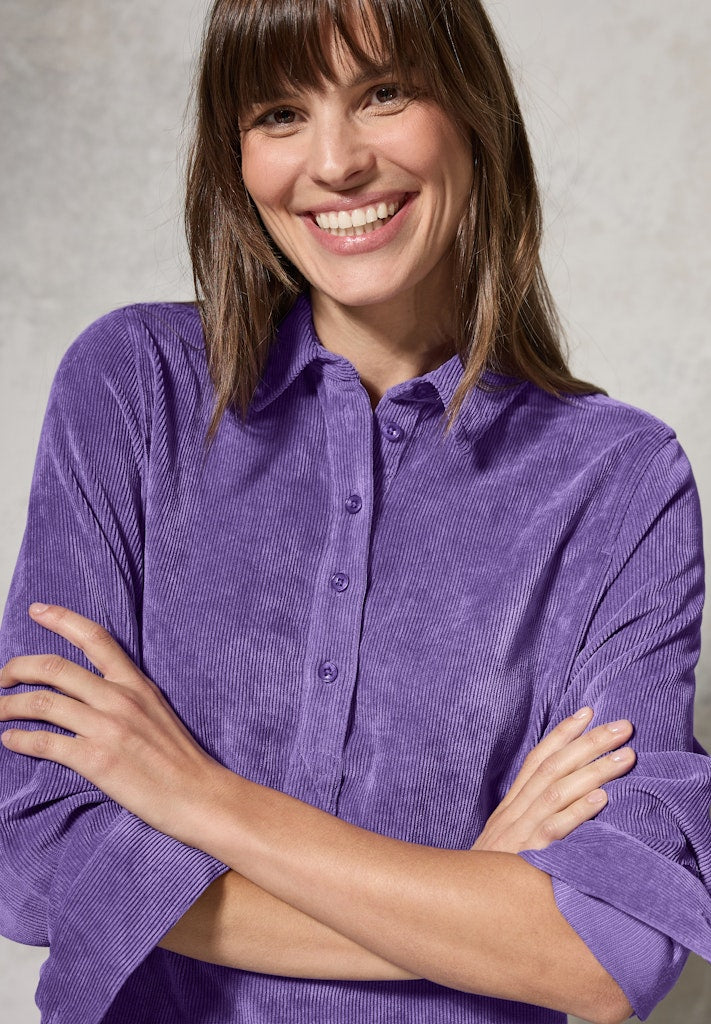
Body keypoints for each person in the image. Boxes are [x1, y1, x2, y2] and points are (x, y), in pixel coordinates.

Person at [0, 1, 709, 1023]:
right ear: (234, 155)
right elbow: (30, 851)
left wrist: (200, 797)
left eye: (384, 94)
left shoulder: (619, 480)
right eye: (279, 114)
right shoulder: (133, 387)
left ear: (473, 112)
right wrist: (469, 901)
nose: (333, 164)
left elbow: (613, 952)